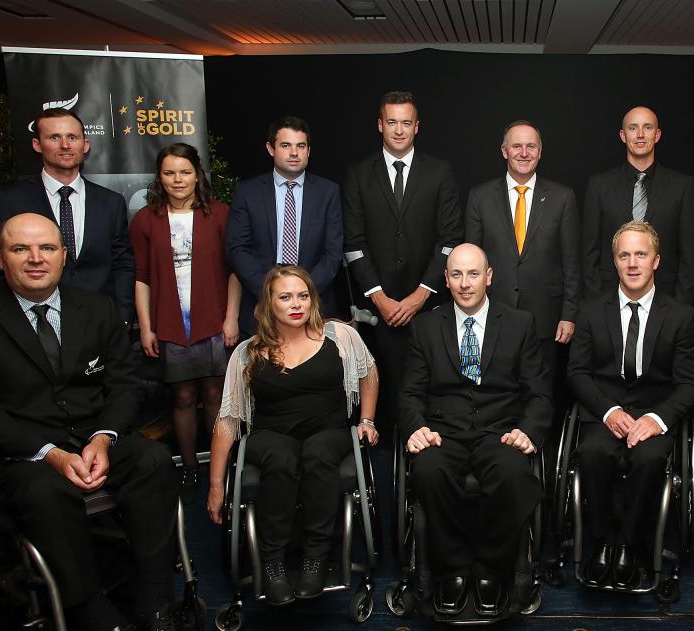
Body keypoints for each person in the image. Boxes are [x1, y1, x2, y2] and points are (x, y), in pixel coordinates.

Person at [0, 213, 197, 631]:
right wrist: (50, 453)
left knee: (156, 462)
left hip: (95, 439)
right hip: (17, 457)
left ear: (63, 254)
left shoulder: (95, 308)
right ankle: (101, 626)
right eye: (21, 250)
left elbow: (125, 384)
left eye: (47, 249)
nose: (36, 259)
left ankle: (155, 610)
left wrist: (102, 439)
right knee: (46, 490)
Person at [206, 265, 379, 605]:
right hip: (271, 435)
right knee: (282, 457)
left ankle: (316, 558)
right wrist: (215, 487)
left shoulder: (340, 337)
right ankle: (272, 565)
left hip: (328, 431)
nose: (296, 304)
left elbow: (369, 373)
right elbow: (227, 421)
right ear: (269, 304)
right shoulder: (248, 353)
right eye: (285, 297)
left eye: (302, 296)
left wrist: (368, 420)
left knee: (317, 453)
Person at [400, 243, 551, 617]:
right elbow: (409, 393)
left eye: (472, 274)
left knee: (514, 472)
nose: (465, 283)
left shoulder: (519, 324)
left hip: (499, 431)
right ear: (446, 281)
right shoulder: (425, 326)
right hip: (442, 431)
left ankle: (490, 570)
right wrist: (416, 428)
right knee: (428, 471)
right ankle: (450, 570)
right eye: (456, 275)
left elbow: (540, 395)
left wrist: (527, 431)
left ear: (489, 277)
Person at [568, 221, 694, 588]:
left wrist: (657, 419)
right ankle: (601, 541)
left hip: (654, 414)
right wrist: (609, 412)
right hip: (604, 412)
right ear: (614, 262)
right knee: (593, 454)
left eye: (640, 254)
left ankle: (629, 543)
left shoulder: (680, 315)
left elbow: (689, 384)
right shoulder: (593, 311)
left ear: (656, 260)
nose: (632, 263)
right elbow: (577, 373)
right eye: (624, 255)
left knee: (649, 459)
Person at [344, 91, 463, 436]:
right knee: (385, 392)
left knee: (430, 386)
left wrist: (420, 295)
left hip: (428, 307)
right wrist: (379, 298)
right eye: (392, 122)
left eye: (406, 123)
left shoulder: (440, 173)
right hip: (376, 311)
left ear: (417, 127)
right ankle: (386, 469)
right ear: (380, 125)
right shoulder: (358, 174)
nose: (399, 130)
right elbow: (353, 245)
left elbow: (449, 239)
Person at [131, 142, 240, 489]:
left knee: (214, 395)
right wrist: (146, 328)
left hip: (213, 321)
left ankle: (218, 468)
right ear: (159, 178)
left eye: (185, 172)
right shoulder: (146, 219)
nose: (178, 180)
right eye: (169, 173)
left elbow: (233, 272)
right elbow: (142, 277)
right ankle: (190, 468)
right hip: (170, 325)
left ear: (198, 175)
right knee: (181, 397)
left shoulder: (221, 214)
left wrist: (231, 318)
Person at [0, 108, 134, 321]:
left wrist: (124, 316)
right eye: (54, 137)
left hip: (100, 320)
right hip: (35, 319)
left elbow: (122, 264)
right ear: (37, 144)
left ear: (85, 144)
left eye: (72, 137)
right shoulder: (10, 200)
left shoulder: (111, 202)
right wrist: (4, 321)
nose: (65, 145)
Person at [464, 120, 582, 379]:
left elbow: (572, 262)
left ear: (540, 152)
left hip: (547, 319)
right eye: (517, 146)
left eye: (531, 146)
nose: (524, 153)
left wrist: (569, 315)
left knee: (543, 394)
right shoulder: (479, 197)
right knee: (498, 393)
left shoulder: (563, 198)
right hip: (492, 313)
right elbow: (470, 262)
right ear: (504, 151)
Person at [225, 116, 344, 332]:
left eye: (301, 146)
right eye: (286, 145)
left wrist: (303, 295)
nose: (294, 153)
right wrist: (272, 293)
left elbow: (333, 253)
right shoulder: (248, 192)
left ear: (308, 150)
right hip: (260, 306)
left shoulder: (328, 192)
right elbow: (237, 249)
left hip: (314, 307)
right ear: (271, 148)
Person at [582, 106, 694, 305]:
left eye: (647, 127)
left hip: (667, 298)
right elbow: (589, 252)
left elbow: (690, 254)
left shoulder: (682, 186)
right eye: (633, 128)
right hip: (609, 299)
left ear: (657, 134)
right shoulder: (599, 186)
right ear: (622, 135)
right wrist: (596, 303)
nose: (640, 135)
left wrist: (681, 306)